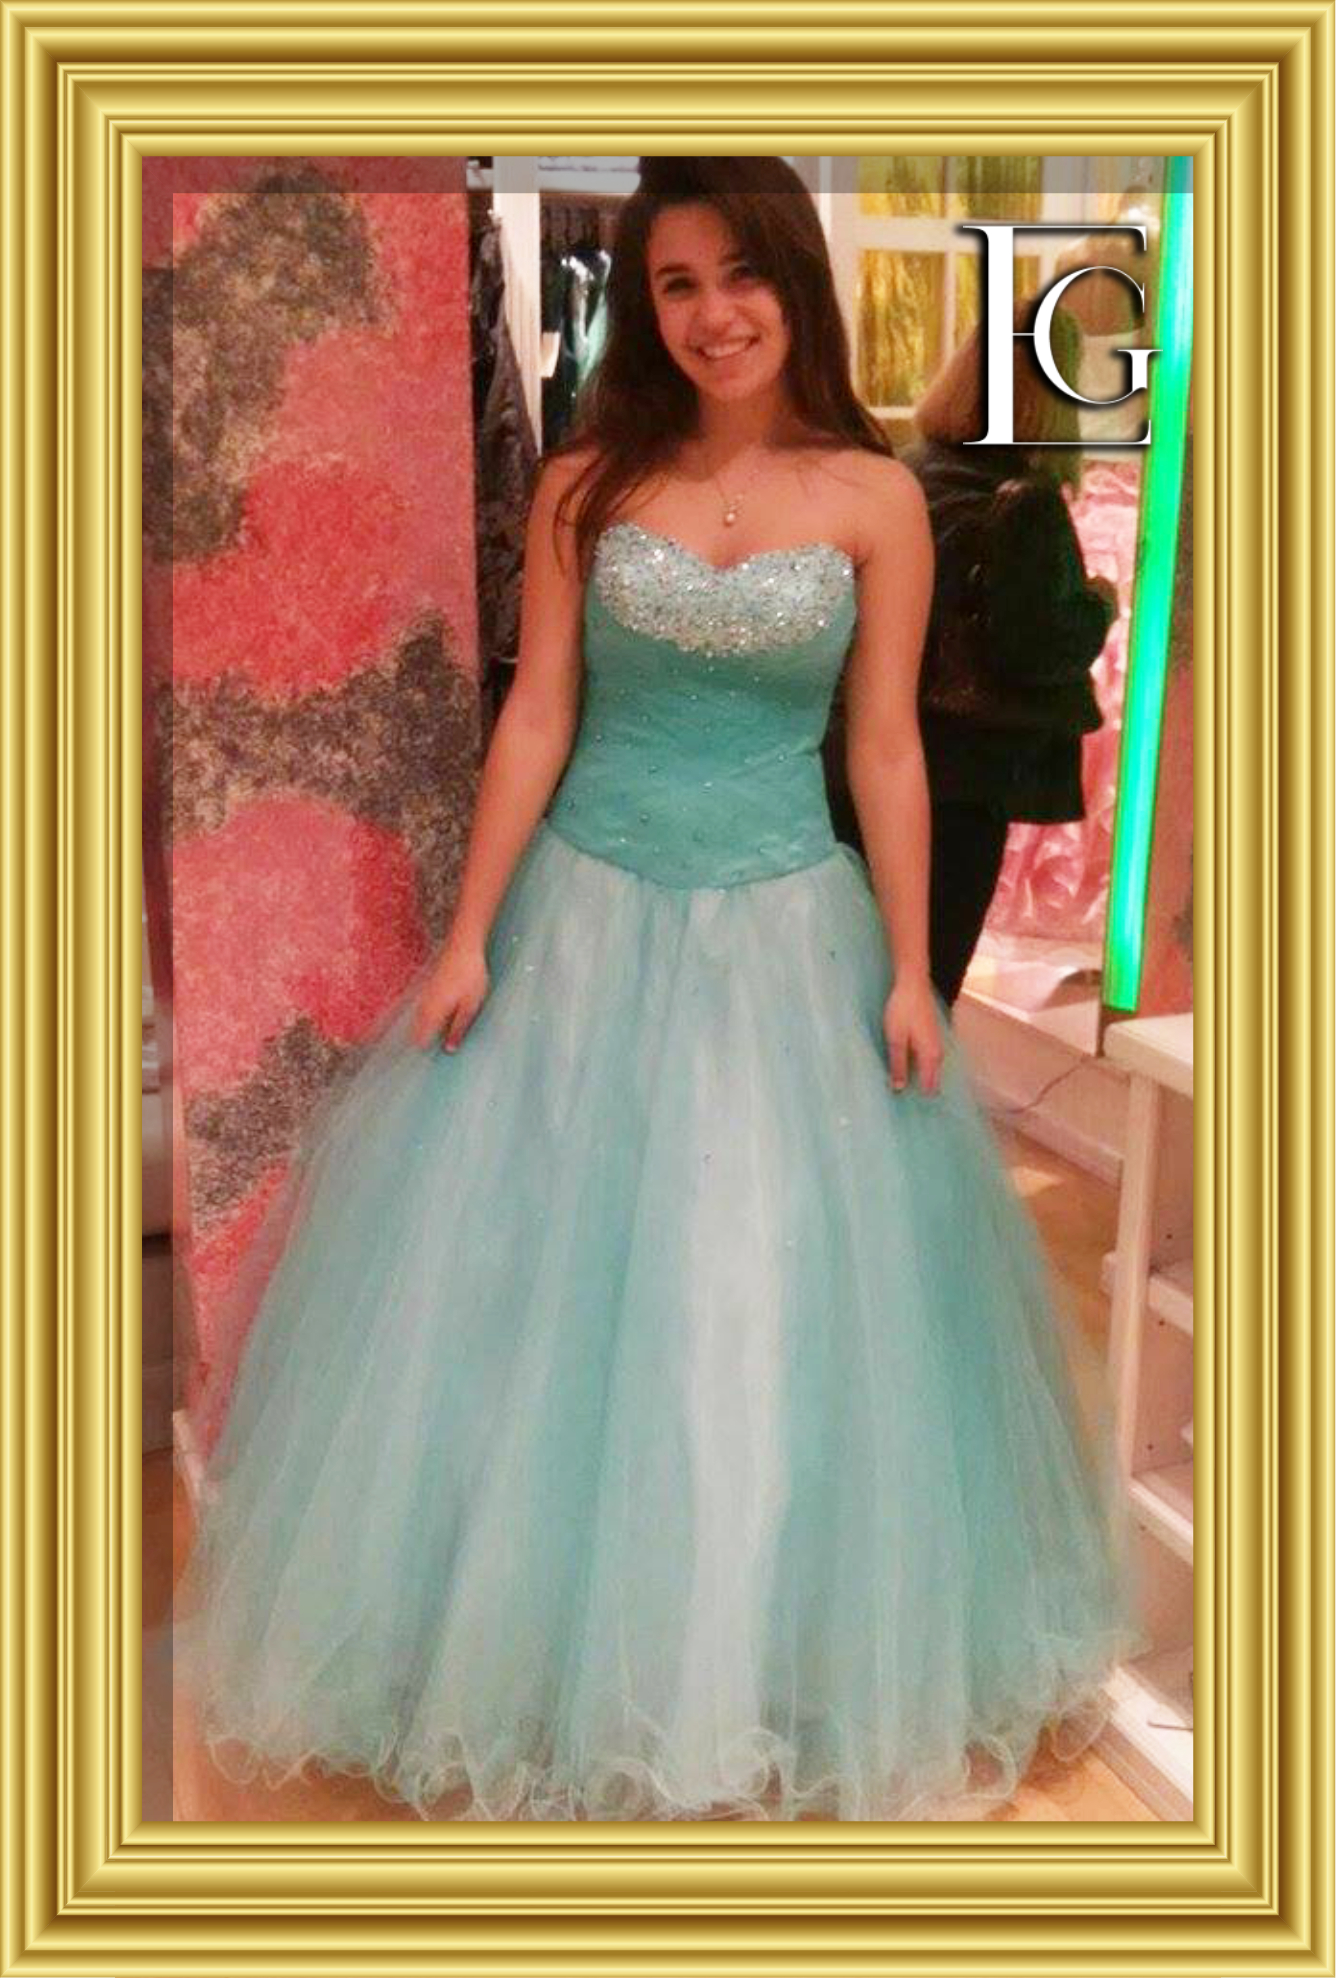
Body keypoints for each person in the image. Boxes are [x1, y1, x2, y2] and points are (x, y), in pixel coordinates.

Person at [172, 157, 1145, 1825]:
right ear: (644, 302)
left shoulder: (875, 497)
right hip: (587, 916)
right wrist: (471, 931)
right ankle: (529, 1658)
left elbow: (886, 748)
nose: (712, 314)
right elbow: (540, 712)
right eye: (677, 283)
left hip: (786, 927)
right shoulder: (586, 484)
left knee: (763, 1293)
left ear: (796, 285)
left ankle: (760, 1667)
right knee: (543, 1296)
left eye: (741, 275)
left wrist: (917, 969)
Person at [824, 299, 1117, 1009]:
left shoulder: (908, 473)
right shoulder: (1022, 501)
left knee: (848, 977)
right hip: (961, 776)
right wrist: (1099, 604)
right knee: (925, 987)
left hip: (856, 755)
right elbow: (1038, 645)